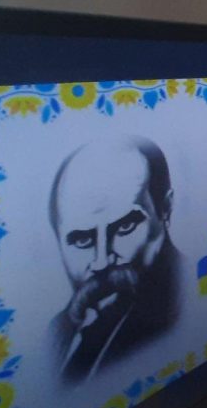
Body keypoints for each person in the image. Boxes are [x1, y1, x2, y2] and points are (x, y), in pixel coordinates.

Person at [48, 135, 186, 385]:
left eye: (125, 227)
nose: (101, 261)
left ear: (165, 209)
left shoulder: (191, 299)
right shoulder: (57, 334)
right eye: (83, 240)